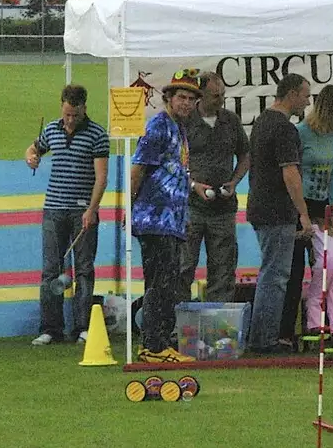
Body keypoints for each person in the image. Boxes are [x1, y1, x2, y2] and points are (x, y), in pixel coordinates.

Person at [26, 84, 109, 346]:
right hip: (53, 208)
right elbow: (32, 150)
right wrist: (31, 158)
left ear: (85, 108)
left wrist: (92, 210)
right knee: (51, 269)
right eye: (67, 114)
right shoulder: (52, 129)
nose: (70, 119)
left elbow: (101, 178)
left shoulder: (97, 135)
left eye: (75, 114)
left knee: (83, 269)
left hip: (82, 210)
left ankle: (83, 327)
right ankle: (50, 328)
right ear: (62, 107)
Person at [130, 69, 202, 358]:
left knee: (167, 282)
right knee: (160, 283)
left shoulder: (179, 129)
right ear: (168, 98)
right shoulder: (158, 127)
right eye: (181, 97)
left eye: (191, 99)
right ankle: (154, 345)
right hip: (154, 218)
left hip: (171, 220)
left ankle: (159, 340)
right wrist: (130, 207)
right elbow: (138, 169)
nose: (186, 103)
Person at [246, 72, 313, 353]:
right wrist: (304, 214)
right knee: (275, 276)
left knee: (270, 272)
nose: (307, 103)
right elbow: (291, 173)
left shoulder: (262, 121)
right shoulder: (285, 129)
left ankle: (262, 336)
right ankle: (265, 340)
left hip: (259, 205)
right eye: (306, 96)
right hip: (277, 210)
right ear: (293, 94)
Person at [281, 84, 333, 343]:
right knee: (296, 267)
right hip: (300, 204)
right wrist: (301, 212)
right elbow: (293, 172)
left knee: (332, 266)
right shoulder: (301, 134)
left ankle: (332, 326)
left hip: (323, 207)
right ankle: (290, 330)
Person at [178, 71, 249, 303]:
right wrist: (192, 184)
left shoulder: (231, 121)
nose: (221, 101)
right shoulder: (185, 122)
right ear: (202, 96)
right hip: (191, 207)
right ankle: (177, 323)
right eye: (216, 96)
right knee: (184, 266)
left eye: (223, 95)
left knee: (223, 269)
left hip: (223, 208)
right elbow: (172, 161)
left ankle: (219, 328)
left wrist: (235, 180)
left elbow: (246, 154)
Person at [304, 205, 333, 338]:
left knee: (315, 297)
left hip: (324, 265)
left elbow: (303, 234)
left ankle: (315, 325)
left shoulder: (315, 227)